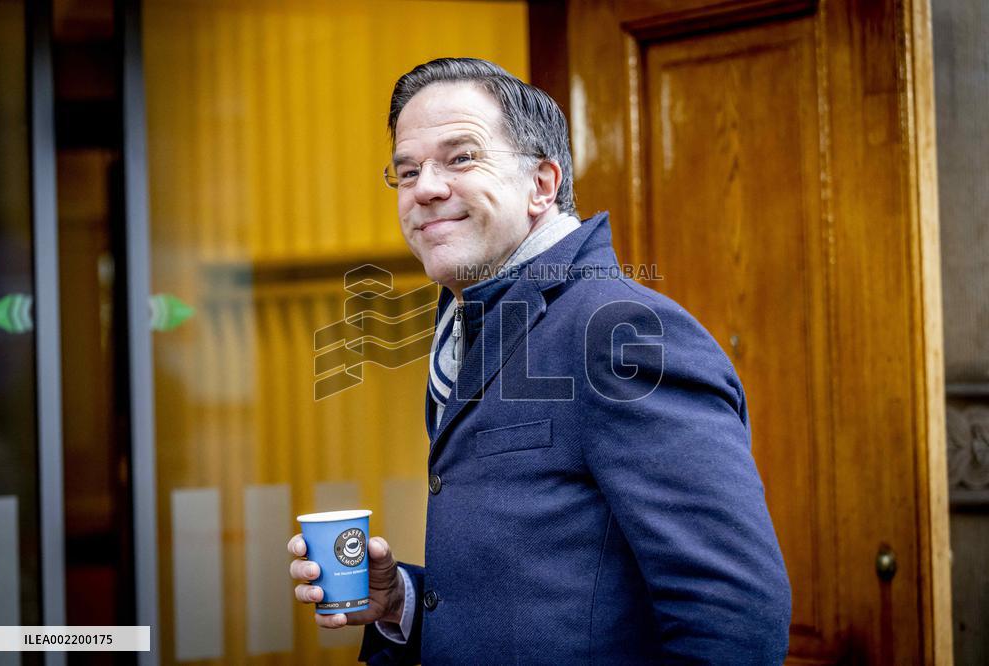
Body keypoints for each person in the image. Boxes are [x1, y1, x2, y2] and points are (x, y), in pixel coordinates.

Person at [288, 57, 791, 664]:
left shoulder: (616, 330)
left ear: (543, 185)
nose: (425, 187)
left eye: (461, 157)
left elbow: (733, 612)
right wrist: (401, 601)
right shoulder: (469, 328)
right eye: (408, 170)